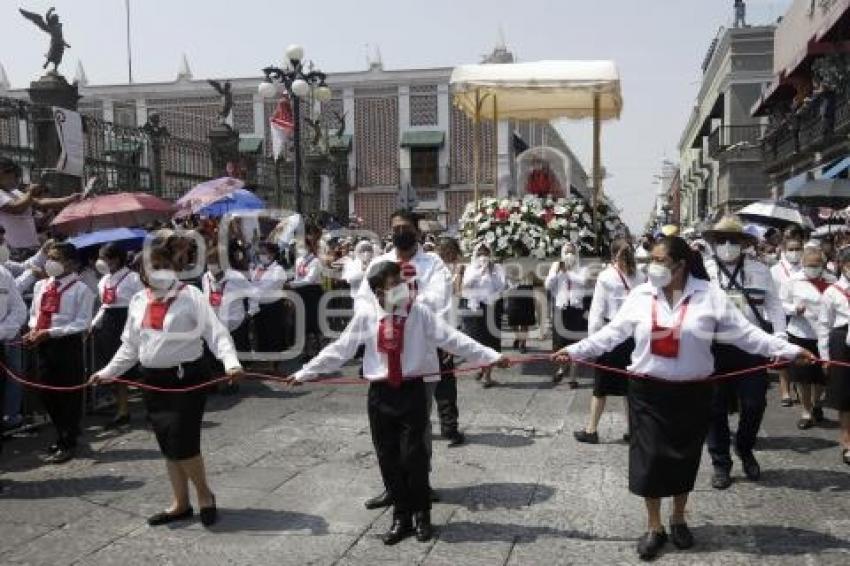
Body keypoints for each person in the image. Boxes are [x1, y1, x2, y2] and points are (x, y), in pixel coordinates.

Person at [552, 236, 813, 560]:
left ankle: (678, 517)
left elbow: (747, 335)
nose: (652, 267)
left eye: (659, 261)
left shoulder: (709, 296)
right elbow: (610, 334)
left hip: (692, 392)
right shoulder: (641, 296)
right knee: (649, 464)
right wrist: (573, 351)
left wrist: (789, 350)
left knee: (682, 460)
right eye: (650, 261)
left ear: (680, 265)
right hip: (648, 393)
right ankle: (654, 526)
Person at [288, 261, 509, 544]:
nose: (401, 289)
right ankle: (400, 516)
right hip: (381, 393)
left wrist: (491, 356)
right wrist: (306, 372)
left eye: (400, 283)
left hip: (412, 391)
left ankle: (422, 514)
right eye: (393, 285)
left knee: (413, 457)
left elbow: (453, 339)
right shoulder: (367, 316)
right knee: (387, 456)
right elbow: (340, 349)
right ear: (378, 292)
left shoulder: (420, 313)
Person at [89, 235, 243, 527]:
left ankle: (205, 495)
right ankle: (180, 503)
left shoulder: (191, 296)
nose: (158, 271)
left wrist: (231, 363)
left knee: (182, 441)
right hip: (152, 381)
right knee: (167, 444)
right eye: (152, 267)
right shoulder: (137, 300)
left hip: (186, 379)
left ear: (173, 268)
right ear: (143, 273)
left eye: (163, 265)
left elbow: (216, 333)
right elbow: (130, 346)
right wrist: (107, 372)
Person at [357, 209, 452, 511]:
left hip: (417, 354)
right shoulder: (377, 263)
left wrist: (398, 300)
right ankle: (393, 486)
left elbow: (438, 299)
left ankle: (420, 484)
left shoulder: (432, 264)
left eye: (406, 227)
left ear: (417, 231)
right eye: (395, 227)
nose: (400, 232)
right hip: (384, 354)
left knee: (418, 424)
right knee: (386, 428)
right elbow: (363, 299)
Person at [703, 216, 787, 490]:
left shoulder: (761, 270)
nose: (728, 245)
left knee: (754, 402)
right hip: (713, 347)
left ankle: (745, 447)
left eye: (733, 240)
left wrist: (780, 339)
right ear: (713, 243)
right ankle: (720, 463)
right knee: (714, 407)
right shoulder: (702, 272)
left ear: (743, 243)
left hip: (751, 346)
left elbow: (774, 306)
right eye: (722, 240)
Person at [23, 242, 95, 464]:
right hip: (43, 343)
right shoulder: (41, 285)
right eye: (49, 257)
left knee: (68, 394)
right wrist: (34, 330)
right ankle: (62, 432)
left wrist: (51, 332)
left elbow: (82, 322)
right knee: (47, 393)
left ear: (71, 263)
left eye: (57, 258)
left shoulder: (81, 289)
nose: (50, 262)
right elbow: (34, 313)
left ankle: (68, 440)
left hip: (66, 344)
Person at [574, 239, 645, 444]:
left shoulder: (606, 276)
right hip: (633, 336)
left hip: (612, 335)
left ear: (612, 255)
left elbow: (597, 311)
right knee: (630, 387)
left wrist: (593, 340)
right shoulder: (640, 276)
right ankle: (633, 431)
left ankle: (591, 430)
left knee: (600, 387)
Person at [91, 243, 144, 428]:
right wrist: (94, 323)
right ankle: (122, 410)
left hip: (128, 320)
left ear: (116, 259)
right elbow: (105, 305)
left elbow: (142, 302)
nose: (100, 262)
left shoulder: (133, 278)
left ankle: (153, 406)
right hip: (109, 323)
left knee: (138, 366)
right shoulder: (103, 280)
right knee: (115, 367)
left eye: (104, 258)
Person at [783, 247, 833, 429]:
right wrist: (794, 309)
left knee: (821, 376)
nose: (814, 268)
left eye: (817, 265)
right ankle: (806, 411)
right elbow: (781, 303)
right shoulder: (793, 281)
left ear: (823, 264)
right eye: (810, 265)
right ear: (803, 264)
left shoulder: (831, 280)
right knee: (803, 377)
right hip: (801, 334)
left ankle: (816, 403)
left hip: (824, 335)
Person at [0, 158, 81, 256]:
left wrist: (69, 199)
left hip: (31, 247)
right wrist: (30, 193)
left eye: (18, 176)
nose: (17, 180)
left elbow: (41, 202)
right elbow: (16, 208)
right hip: (12, 249)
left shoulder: (16, 193)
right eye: (14, 176)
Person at [202, 244, 255, 393]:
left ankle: (232, 383)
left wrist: (250, 312)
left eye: (214, 261)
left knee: (231, 354)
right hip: (214, 322)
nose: (211, 265)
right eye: (209, 261)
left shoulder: (236, 277)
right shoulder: (206, 278)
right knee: (213, 354)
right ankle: (216, 382)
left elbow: (253, 294)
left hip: (233, 322)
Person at [817, 247, 850, 465]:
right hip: (842, 343)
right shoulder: (833, 292)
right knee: (846, 397)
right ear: (842, 265)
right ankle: (847, 441)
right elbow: (823, 325)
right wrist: (825, 355)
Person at [434, 237, 466, 446]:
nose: (443, 253)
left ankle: (449, 426)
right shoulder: (436, 271)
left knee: (444, 384)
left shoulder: (455, 269)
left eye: (446, 250)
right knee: (444, 384)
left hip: (442, 331)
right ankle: (449, 427)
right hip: (439, 332)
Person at [461, 244, 506, 388]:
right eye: (480, 253)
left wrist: (491, 272)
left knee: (490, 341)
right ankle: (483, 367)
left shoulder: (497, 268)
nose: (483, 256)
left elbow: (501, 286)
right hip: (475, 309)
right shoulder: (470, 268)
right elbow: (466, 285)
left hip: (492, 307)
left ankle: (487, 375)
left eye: (486, 253)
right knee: (478, 341)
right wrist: (480, 271)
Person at [545, 242, 588, 387]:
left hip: (576, 309)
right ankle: (561, 369)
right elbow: (548, 285)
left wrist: (568, 272)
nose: (569, 254)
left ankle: (573, 377)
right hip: (561, 308)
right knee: (561, 342)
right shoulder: (556, 266)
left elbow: (582, 281)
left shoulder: (582, 268)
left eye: (572, 252)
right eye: (566, 251)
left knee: (575, 343)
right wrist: (557, 273)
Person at [771, 230, 804, 407]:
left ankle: (800, 388)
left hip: (801, 319)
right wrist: (791, 308)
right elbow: (773, 299)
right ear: (784, 249)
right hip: (782, 317)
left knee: (798, 354)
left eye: (798, 248)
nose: (795, 252)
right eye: (791, 249)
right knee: (783, 355)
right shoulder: (775, 270)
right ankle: (785, 391)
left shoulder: (805, 268)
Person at [289, 223, 324, 359]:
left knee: (313, 320)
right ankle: (306, 350)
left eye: (303, 246)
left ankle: (317, 349)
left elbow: (309, 279)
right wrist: (292, 284)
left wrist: (291, 285)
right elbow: (298, 277)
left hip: (313, 292)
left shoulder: (315, 261)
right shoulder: (299, 261)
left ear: (309, 247)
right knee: (302, 321)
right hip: (301, 292)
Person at [250, 241, 289, 363]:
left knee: (273, 333)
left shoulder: (278, 270)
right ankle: (263, 359)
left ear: (272, 254)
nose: (261, 255)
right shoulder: (258, 268)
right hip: (259, 305)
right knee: (261, 332)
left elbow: (268, 286)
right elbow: (252, 283)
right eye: (260, 253)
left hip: (273, 306)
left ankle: (274, 361)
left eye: (264, 253)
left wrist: (253, 290)